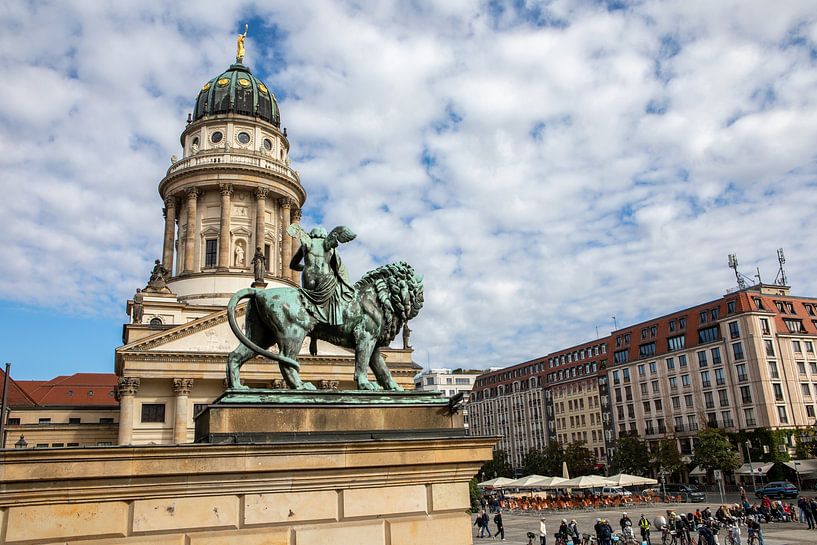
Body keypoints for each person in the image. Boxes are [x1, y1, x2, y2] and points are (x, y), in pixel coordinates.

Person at [288, 224, 356, 325]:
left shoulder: (306, 243)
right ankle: (333, 321)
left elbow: (293, 265)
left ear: (312, 234)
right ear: (325, 235)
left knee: (307, 304)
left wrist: (306, 267)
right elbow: (338, 267)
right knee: (336, 295)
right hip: (324, 277)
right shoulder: (330, 246)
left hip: (308, 276)